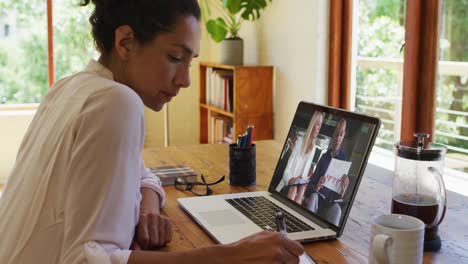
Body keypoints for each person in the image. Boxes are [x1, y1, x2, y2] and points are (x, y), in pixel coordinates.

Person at [0, 1, 304, 263]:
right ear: (126, 42)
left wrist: (147, 206)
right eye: (174, 58)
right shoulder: (117, 102)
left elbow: (141, 172)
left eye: (190, 61)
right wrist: (233, 256)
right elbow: (85, 260)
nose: (185, 80)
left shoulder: (69, 87)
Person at [304, 119, 350, 226]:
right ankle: (306, 227)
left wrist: (343, 192)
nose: (338, 138)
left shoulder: (344, 160)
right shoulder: (324, 157)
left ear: (343, 137)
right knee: (313, 197)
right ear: (333, 135)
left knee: (337, 209)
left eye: (341, 135)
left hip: (330, 203)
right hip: (318, 198)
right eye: (336, 134)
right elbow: (310, 186)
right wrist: (316, 187)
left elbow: (340, 198)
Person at [275, 112, 324, 204]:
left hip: (298, 185)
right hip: (287, 183)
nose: (319, 128)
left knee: (301, 190)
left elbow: (304, 175)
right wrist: (290, 179)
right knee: (294, 189)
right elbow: (286, 172)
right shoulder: (299, 142)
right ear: (312, 124)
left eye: (320, 125)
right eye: (317, 124)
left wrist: (303, 178)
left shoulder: (313, 149)